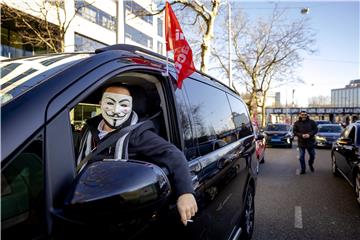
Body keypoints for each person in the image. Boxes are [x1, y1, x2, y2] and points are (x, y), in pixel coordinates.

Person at [76, 83, 198, 226]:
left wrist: (185, 192)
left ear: (131, 106)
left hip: (114, 208)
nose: (116, 110)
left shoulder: (138, 134)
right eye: (110, 102)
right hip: (81, 195)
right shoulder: (87, 129)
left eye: (123, 104)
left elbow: (173, 154)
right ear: (100, 103)